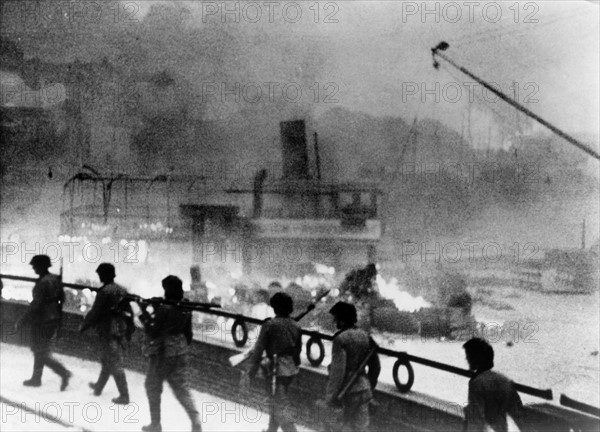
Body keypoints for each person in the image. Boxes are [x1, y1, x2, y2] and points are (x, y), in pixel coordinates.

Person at [139, 275, 201, 432]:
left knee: (152, 386)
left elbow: (153, 331)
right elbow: (188, 334)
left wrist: (143, 312)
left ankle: (155, 424)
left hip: (163, 353)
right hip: (179, 352)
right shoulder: (186, 306)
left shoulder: (164, 308)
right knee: (181, 389)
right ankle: (195, 422)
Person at [246, 292, 302, 432]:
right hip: (290, 369)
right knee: (277, 402)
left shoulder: (270, 324)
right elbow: (298, 351)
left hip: (275, 369)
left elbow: (259, 348)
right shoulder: (296, 326)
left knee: (279, 408)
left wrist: (251, 371)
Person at [15, 255, 72, 390]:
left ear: (41, 266)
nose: (33, 268)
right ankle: (36, 378)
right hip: (53, 319)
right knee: (40, 350)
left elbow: (36, 305)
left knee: (39, 351)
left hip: (41, 320)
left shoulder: (43, 283)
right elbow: (61, 299)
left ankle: (62, 373)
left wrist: (22, 320)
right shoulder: (55, 280)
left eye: (35, 266)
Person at [324, 301, 380, 432]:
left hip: (347, 391)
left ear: (342, 320)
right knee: (361, 428)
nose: (335, 322)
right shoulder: (366, 336)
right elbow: (376, 367)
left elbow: (338, 372)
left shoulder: (340, 339)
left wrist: (331, 397)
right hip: (365, 390)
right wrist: (369, 386)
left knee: (341, 427)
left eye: (336, 318)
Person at [80, 263, 130, 404]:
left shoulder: (105, 292)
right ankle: (99, 387)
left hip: (107, 329)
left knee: (113, 362)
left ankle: (124, 395)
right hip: (119, 328)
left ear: (106, 274)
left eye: (101, 273)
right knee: (108, 359)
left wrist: (84, 325)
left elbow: (96, 312)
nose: (99, 276)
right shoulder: (122, 290)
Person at [463, 338, 524, 432]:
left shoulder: (477, 383)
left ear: (477, 358)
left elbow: (476, 419)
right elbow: (518, 410)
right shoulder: (503, 379)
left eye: (469, 355)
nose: (466, 358)